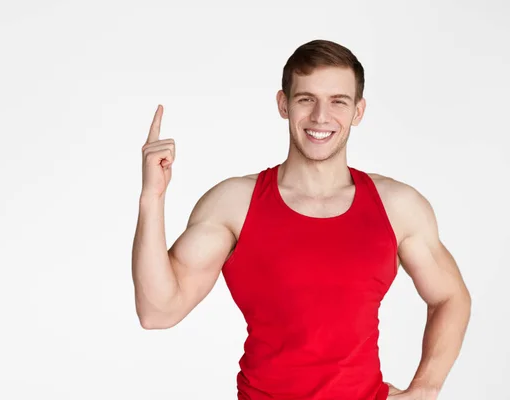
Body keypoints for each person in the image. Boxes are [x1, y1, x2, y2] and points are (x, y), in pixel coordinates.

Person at [131, 39, 471, 400]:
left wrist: (426, 388)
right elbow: (158, 311)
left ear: (358, 111)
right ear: (284, 104)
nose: (321, 117)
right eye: (306, 99)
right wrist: (152, 198)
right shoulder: (234, 204)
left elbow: (451, 297)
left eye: (338, 101)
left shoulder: (398, 206)